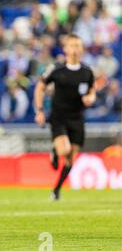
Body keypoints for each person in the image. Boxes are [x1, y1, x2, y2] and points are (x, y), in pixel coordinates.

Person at [34, 34, 96, 201]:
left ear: (82, 49)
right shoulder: (56, 68)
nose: (75, 49)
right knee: (65, 150)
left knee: (70, 159)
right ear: (66, 49)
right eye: (72, 46)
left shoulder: (87, 72)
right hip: (59, 117)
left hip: (77, 118)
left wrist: (91, 98)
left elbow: (92, 90)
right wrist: (39, 110)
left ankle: (56, 189)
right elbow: (40, 87)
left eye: (78, 46)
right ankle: (55, 150)